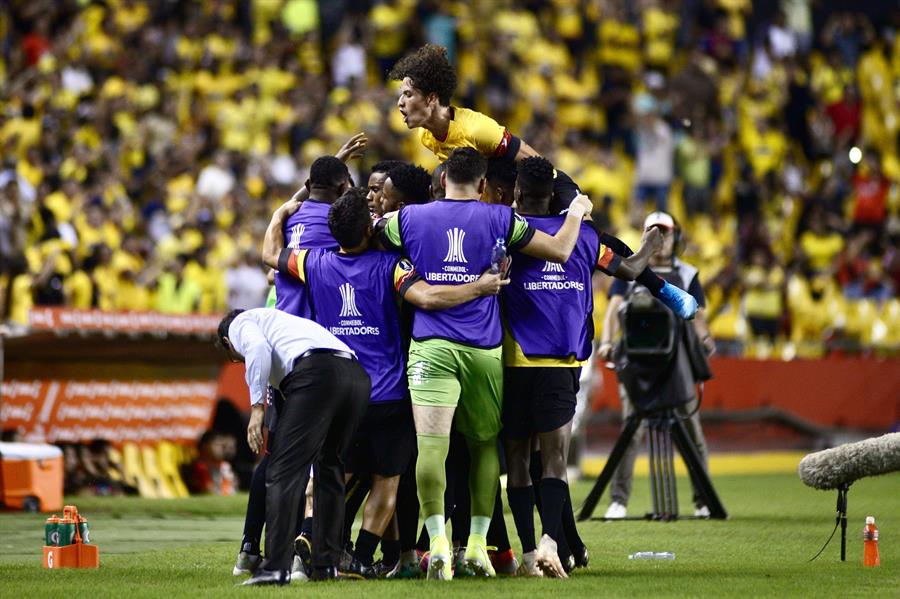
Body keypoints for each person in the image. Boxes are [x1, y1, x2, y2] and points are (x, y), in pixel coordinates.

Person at [261, 187, 509, 578]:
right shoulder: (391, 266)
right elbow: (427, 298)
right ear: (367, 231)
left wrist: (278, 216)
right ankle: (359, 556)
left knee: (333, 474)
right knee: (387, 481)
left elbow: (268, 255)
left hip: (339, 391)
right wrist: (479, 287)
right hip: (387, 393)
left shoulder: (313, 262)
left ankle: (309, 540)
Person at [376, 147, 594, 579]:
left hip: (431, 345)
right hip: (484, 349)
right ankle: (477, 544)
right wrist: (576, 212)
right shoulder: (500, 219)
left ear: (440, 182)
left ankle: (437, 539)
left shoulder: (406, 220)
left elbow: (366, 237)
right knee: (482, 448)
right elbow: (560, 251)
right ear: (482, 186)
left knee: (432, 448)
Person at [389, 44, 697, 320]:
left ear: (431, 98)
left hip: (541, 184)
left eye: (407, 94)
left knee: (592, 238)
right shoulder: (426, 135)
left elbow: (533, 161)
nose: (400, 103)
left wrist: (541, 201)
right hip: (505, 193)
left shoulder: (476, 129)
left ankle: (662, 289)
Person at [501, 157, 662, 577]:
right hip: (561, 362)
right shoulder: (586, 237)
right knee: (555, 458)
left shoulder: (507, 231)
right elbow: (628, 268)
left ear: (517, 193)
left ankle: (528, 553)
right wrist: (650, 245)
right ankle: (553, 542)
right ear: (556, 196)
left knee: (518, 460)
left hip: (513, 360)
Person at [217, 308, 371, 585]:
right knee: (330, 469)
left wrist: (256, 409)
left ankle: (274, 569)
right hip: (356, 376)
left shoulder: (241, 323)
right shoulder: (286, 326)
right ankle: (326, 566)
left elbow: (258, 350)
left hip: (316, 373)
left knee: (283, 472)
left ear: (228, 343)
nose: (240, 360)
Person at [598, 211, 716, 520]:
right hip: (636, 362)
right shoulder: (630, 267)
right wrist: (607, 341)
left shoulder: (689, 274)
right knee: (631, 432)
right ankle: (619, 501)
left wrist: (704, 339)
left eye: (665, 232)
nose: (661, 239)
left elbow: (698, 314)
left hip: (677, 362)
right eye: (655, 232)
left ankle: (703, 499)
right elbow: (612, 310)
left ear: (676, 237)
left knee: (691, 430)